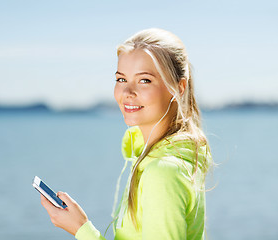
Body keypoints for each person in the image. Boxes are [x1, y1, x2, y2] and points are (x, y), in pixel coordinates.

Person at [40, 28, 212, 240]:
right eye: (121, 79)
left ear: (178, 87)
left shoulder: (163, 172)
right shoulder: (153, 156)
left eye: (144, 80)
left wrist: (82, 230)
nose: (127, 93)